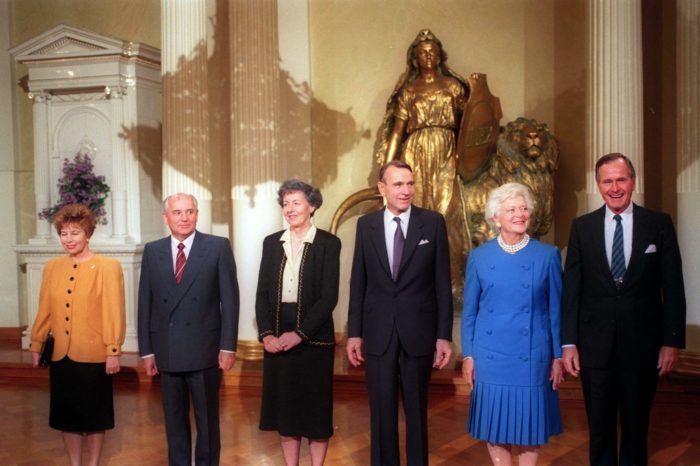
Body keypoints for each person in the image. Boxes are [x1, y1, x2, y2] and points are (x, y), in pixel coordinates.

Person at [561, 153, 686, 466]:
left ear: (633, 181)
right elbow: (572, 290)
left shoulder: (658, 224)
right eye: (607, 181)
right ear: (598, 185)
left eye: (621, 179)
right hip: (594, 348)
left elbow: (673, 286)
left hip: (643, 347)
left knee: (635, 430)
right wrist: (568, 342)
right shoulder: (582, 227)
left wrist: (671, 341)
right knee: (599, 431)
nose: (614, 187)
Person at [346, 160, 453, 466]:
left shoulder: (432, 223)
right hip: (377, 332)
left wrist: (443, 336)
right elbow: (358, 282)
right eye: (398, 184)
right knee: (381, 412)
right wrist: (354, 332)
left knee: (417, 413)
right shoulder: (365, 226)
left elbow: (442, 282)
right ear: (382, 188)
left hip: (419, 332)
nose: (406, 191)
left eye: (410, 183)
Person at [461, 183, 563, 466]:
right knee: (495, 425)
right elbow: (469, 312)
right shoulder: (479, 257)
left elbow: (556, 311)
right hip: (490, 356)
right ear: (496, 218)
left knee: (530, 427)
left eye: (523, 208)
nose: (520, 214)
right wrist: (468, 355)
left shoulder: (548, 255)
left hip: (532, 357)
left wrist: (557, 356)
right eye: (511, 209)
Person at [138, 193, 240, 466]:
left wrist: (227, 346)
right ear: (166, 217)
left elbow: (230, 300)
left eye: (189, 211)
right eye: (177, 212)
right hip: (167, 352)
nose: (184, 218)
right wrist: (147, 352)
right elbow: (145, 303)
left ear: (197, 214)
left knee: (207, 424)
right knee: (174, 424)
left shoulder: (217, 247)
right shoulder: (153, 250)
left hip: (205, 352)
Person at [29, 203, 126, 466]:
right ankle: (74, 463)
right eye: (64, 233)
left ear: (88, 234)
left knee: (95, 417)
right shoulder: (52, 267)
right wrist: (36, 343)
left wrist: (113, 350)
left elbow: (113, 311)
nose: (68, 239)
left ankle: (93, 463)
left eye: (75, 233)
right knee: (67, 416)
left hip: (94, 355)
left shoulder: (108, 266)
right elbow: (45, 310)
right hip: (61, 356)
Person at [375, 28, 471, 294]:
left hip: (446, 152)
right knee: (413, 212)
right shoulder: (409, 89)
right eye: (422, 53)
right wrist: (386, 168)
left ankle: (452, 281)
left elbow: (469, 127)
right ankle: (412, 280)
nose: (428, 56)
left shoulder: (453, 87)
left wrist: (467, 159)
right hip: (415, 151)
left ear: (440, 55)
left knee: (445, 213)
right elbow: (397, 131)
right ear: (415, 58)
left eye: (432, 51)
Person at [255, 179, 341, 466]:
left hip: (314, 338)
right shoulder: (271, 243)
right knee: (286, 413)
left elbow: (329, 298)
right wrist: (267, 334)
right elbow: (263, 294)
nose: (289, 209)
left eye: (296, 203)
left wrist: (300, 334)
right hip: (278, 337)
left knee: (316, 413)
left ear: (312, 206)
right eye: (286, 203)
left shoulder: (329, 243)